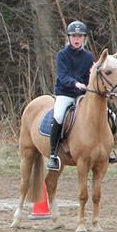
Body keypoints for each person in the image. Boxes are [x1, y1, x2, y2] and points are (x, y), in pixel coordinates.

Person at [46, 21, 94, 172]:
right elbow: (62, 76)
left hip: (83, 94)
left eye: (80, 36)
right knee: (59, 116)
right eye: (74, 36)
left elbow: (89, 77)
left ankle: (107, 149)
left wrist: (90, 86)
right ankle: (53, 154)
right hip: (65, 92)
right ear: (69, 38)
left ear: (84, 38)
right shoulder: (62, 55)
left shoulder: (89, 56)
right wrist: (75, 84)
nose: (76, 39)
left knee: (107, 113)